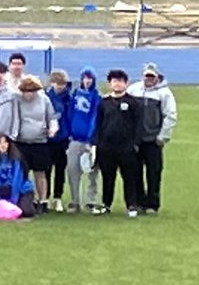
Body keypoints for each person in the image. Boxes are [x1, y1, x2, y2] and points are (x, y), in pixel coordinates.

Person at [128, 62, 177, 215]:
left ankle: (153, 204)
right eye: (147, 76)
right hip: (136, 139)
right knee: (135, 173)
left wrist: (163, 137)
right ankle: (138, 202)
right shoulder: (134, 90)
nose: (149, 79)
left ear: (157, 77)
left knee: (154, 174)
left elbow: (170, 116)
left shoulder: (165, 93)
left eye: (152, 76)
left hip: (153, 140)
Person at [93, 69, 142, 217]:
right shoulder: (104, 102)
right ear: (110, 84)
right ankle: (106, 204)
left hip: (126, 147)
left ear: (126, 83)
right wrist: (97, 143)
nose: (117, 84)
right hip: (106, 147)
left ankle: (131, 205)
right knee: (108, 177)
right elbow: (99, 124)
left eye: (120, 81)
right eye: (114, 81)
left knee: (129, 177)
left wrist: (135, 143)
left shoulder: (133, 102)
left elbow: (138, 124)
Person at [11, 75, 58, 213]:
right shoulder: (17, 99)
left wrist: (53, 129)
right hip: (21, 142)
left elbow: (52, 117)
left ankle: (42, 200)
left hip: (39, 142)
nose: (28, 94)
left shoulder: (44, 100)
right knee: (22, 173)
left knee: (40, 173)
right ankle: (23, 199)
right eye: (26, 91)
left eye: (31, 91)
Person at [65, 66, 100, 213]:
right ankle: (75, 201)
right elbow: (70, 114)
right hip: (74, 139)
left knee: (91, 171)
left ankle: (91, 200)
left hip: (89, 141)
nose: (87, 81)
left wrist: (91, 139)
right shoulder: (75, 94)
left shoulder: (97, 97)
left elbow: (94, 118)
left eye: (89, 78)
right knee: (73, 170)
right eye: (85, 78)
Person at [45, 70, 73, 212]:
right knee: (47, 170)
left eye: (62, 84)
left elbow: (69, 117)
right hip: (48, 139)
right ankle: (46, 197)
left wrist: (69, 135)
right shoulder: (46, 97)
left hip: (63, 139)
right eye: (57, 83)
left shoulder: (69, 98)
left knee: (60, 170)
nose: (60, 86)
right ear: (52, 83)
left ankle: (58, 198)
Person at [0, 134, 36, 218]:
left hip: (22, 190)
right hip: (5, 190)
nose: (3, 145)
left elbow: (17, 180)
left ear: (9, 144)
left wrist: (13, 201)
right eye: (0, 143)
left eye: (5, 142)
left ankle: (29, 203)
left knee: (27, 212)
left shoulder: (16, 159)